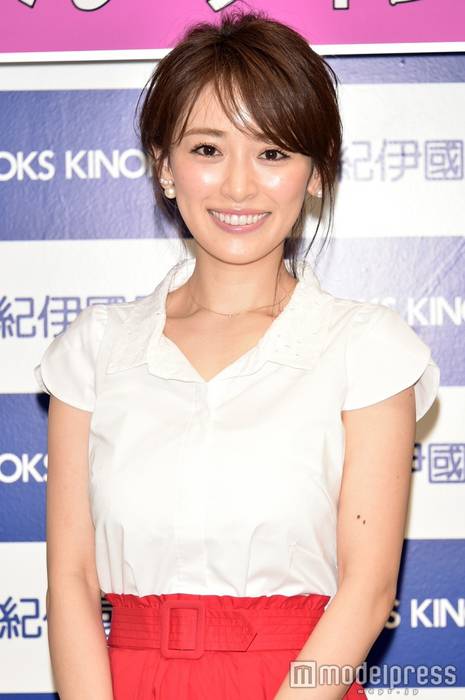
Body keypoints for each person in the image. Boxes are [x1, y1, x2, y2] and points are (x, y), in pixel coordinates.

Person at [34, 8, 440, 700]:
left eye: (272, 153)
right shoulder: (96, 350)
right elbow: (70, 581)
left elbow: (368, 593)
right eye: (207, 149)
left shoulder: (366, 348)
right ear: (164, 166)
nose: (240, 187)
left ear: (317, 173)